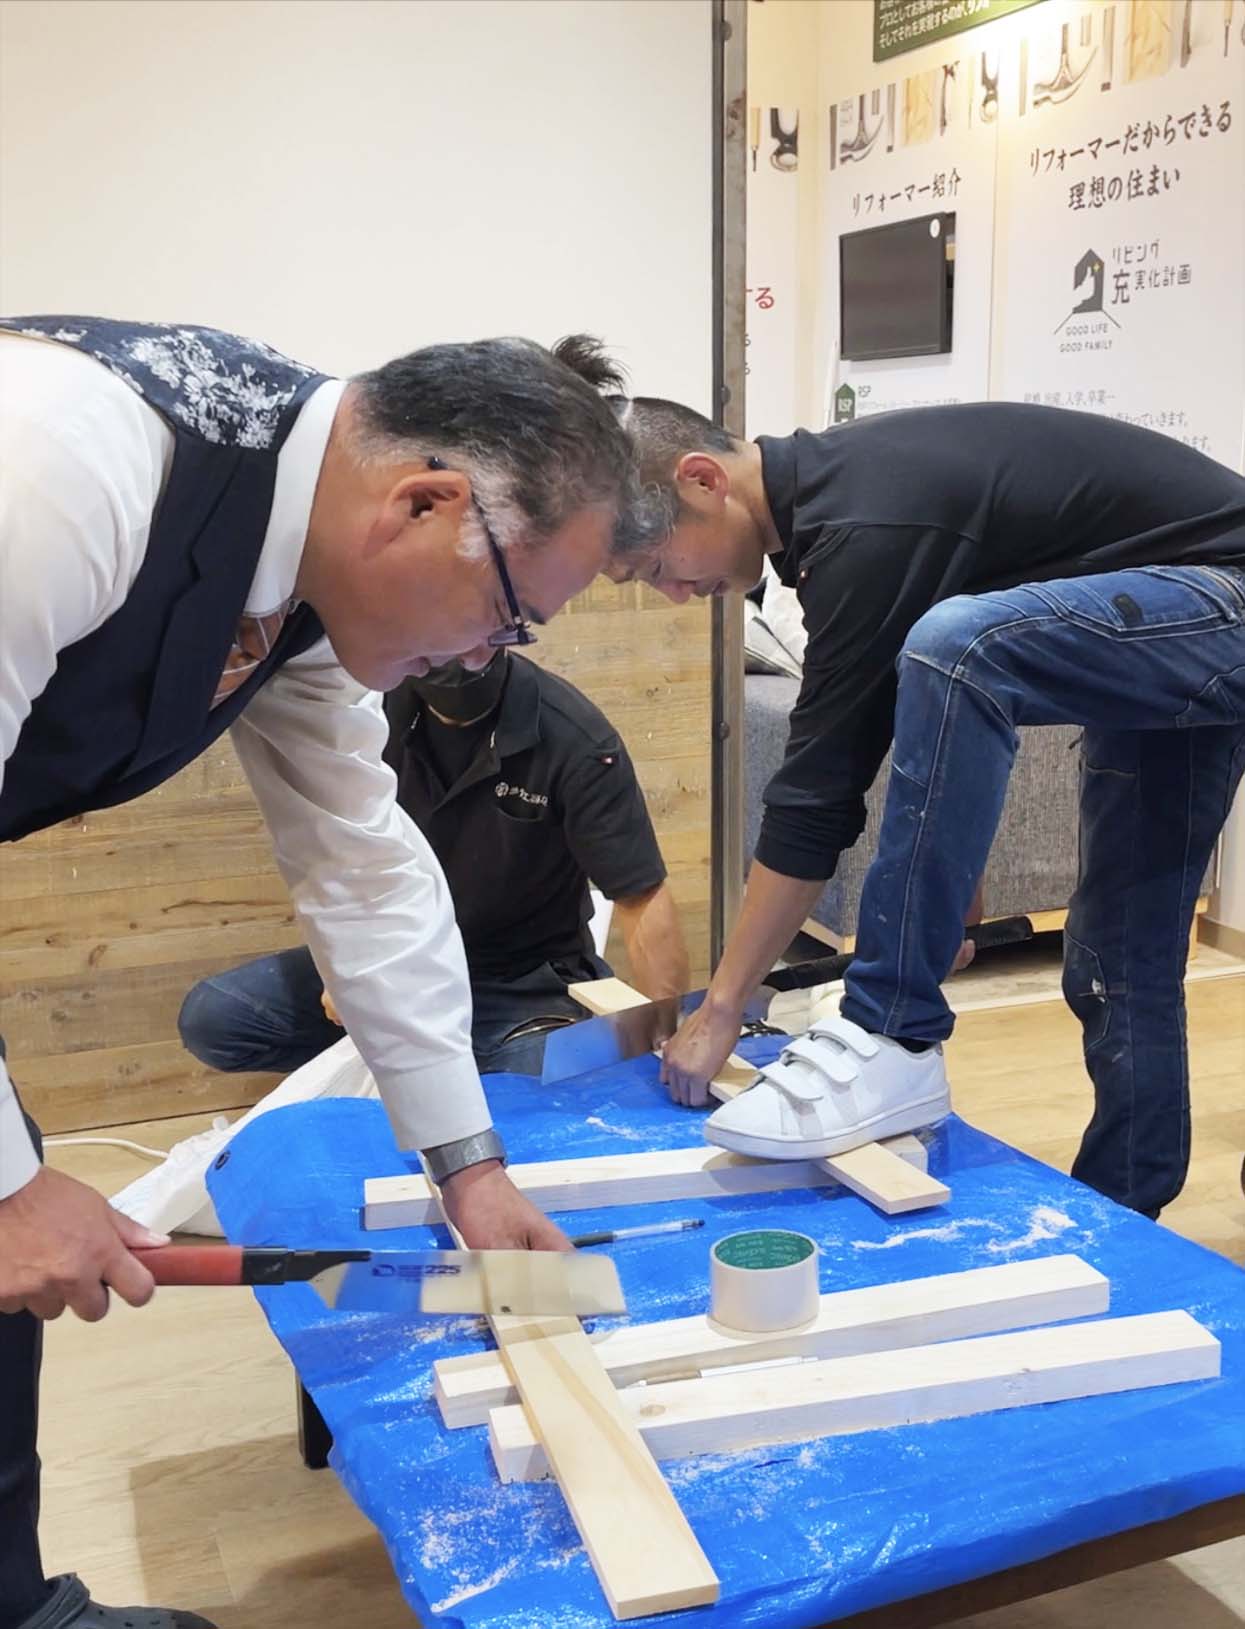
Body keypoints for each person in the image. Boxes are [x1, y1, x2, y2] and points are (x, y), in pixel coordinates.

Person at [0, 315, 650, 1629]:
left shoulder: (298, 578)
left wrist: (468, 1167)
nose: (488, 661)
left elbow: (363, 869)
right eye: (509, 617)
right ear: (426, 504)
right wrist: (8, 1184)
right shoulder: (58, 461)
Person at [607, 395, 1245, 1218]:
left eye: (655, 565)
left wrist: (722, 1005)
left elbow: (815, 796)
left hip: (1222, 593)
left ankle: (892, 1031)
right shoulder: (840, 513)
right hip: (1172, 617)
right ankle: (1126, 1216)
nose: (671, 593)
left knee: (959, 645)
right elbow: (945, 718)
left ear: (701, 481)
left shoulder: (864, 522)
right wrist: (954, 881)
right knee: (1116, 955)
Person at [177, 649, 688, 1079]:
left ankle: (462, 1067)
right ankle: (403, 1069)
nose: (462, 659)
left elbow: (640, 896)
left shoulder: (574, 740)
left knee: (537, 1095)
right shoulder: (371, 710)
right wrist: (343, 964)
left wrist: (666, 1041)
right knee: (214, 1019)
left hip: (522, 985)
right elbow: (333, 854)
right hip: (395, 959)